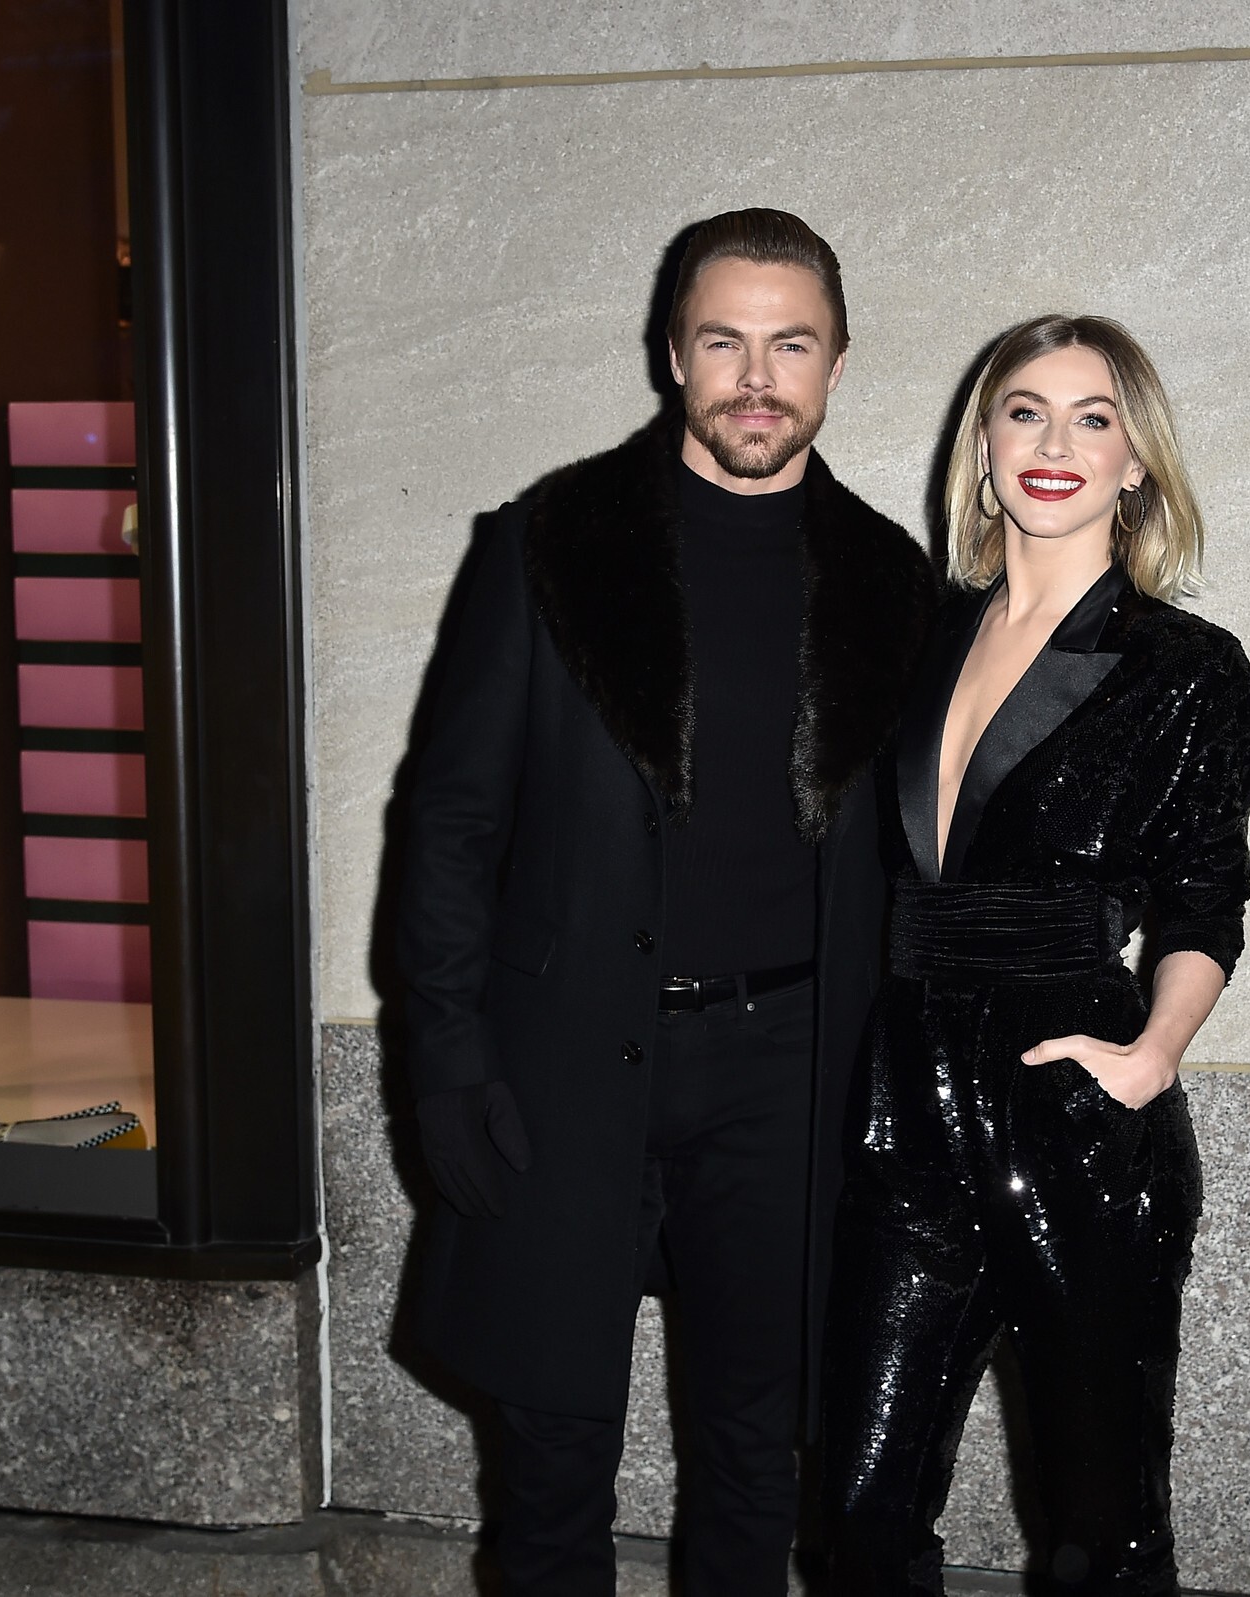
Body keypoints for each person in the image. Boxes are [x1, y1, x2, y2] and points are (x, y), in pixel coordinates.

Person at [391, 209, 934, 1596]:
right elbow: (449, 826)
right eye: (724, 341)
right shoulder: (547, 548)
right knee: (552, 1458)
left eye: (791, 345)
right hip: (567, 1054)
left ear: (838, 363)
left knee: (761, 1452)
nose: (757, 377)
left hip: (790, 1077)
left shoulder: (892, 585)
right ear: (673, 353)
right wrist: (442, 1065)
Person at [819, 314, 1250, 1594]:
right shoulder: (918, 639)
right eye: (1024, 411)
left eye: (1092, 417)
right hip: (905, 1104)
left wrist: (1151, 1055)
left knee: (1097, 1530)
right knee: (857, 1513)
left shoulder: (1181, 668)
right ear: (985, 446)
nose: (1054, 442)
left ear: (1136, 460)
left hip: (1070, 1103)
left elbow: (1205, 897)